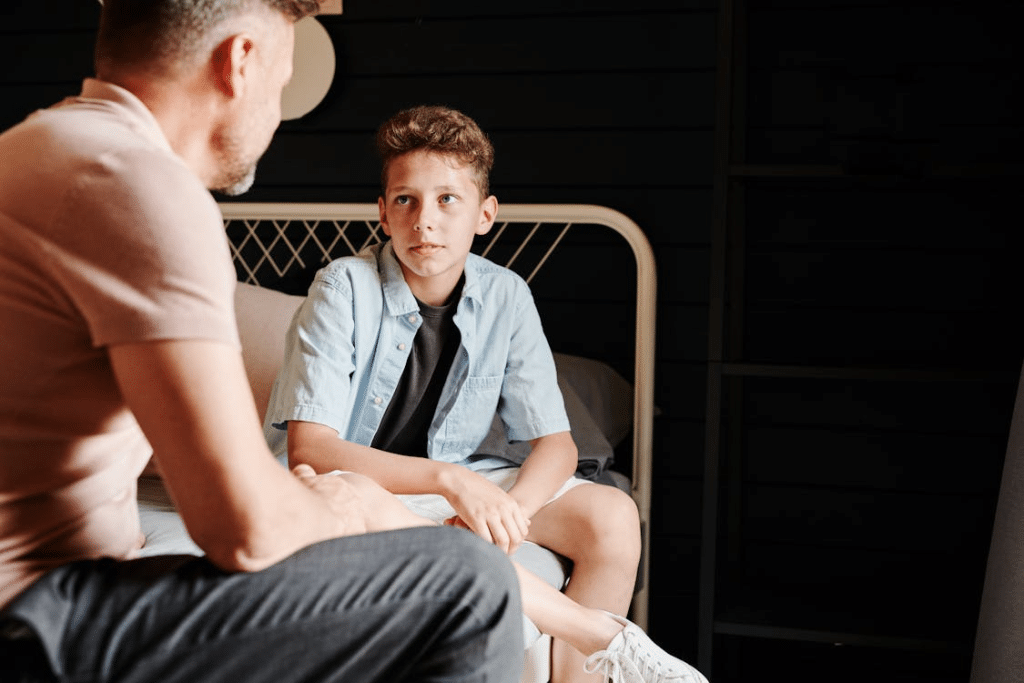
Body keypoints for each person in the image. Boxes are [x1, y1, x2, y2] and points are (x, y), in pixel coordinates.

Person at [0, 3, 525, 682]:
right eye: (281, 84)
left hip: (62, 598)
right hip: (32, 620)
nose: (274, 116)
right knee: (471, 582)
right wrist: (336, 504)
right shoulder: (140, 186)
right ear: (239, 60)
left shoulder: (33, 147)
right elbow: (242, 526)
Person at [264, 104, 710, 683]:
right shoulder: (340, 287)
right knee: (353, 492)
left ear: (485, 214)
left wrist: (506, 516)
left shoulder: (507, 294)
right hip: (355, 482)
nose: (425, 220)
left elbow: (557, 447)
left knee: (612, 515)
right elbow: (311, 451)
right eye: (406, 199)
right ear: (382, 212)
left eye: (448, 199)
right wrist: (454, 483)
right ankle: (602, 634)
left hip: (460, 480)